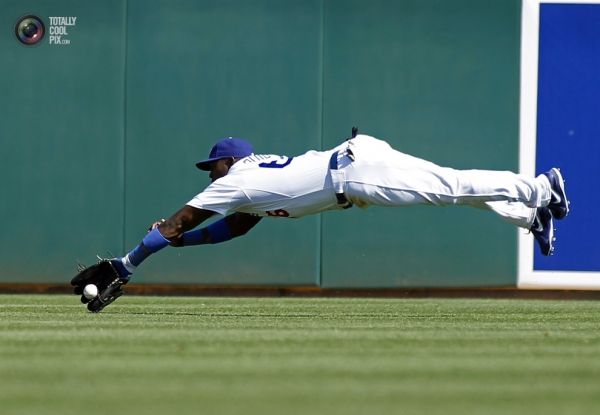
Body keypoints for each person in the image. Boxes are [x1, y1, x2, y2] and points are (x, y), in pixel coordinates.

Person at [72, 129, 570, 311]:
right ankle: (531, 217)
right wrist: (182, 246)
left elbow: (180, 219)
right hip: (355, 164)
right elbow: (234, 228)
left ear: (227, 162)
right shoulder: (245, 194)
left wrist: (129, 261)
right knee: (450, 189)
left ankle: (541, 187)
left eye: (213, 165)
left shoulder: (233, 180)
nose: (211, 173)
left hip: (355, 175)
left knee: (450, 188)